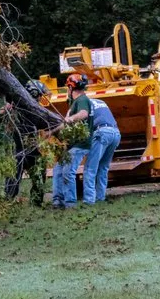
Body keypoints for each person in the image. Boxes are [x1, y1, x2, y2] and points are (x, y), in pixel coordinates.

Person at [64, 73, 121, 205]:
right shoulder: (100, 101)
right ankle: (100, 197)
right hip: (115, 133)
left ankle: (89, 200)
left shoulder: (83, 104)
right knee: (103, 168)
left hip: (101, 133)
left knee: (90, 168)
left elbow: (83, 121)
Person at [51, 74, 92, 208]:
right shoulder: (74, 103)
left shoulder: (82, 100)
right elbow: (65, 122)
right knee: (58, 169)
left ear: (70, 87)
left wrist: (71, 119)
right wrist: (51, 132)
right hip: (71, 145)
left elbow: (84, 114)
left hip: (81, 144)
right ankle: (57, 200)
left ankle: (70, 203)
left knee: (68, 171)